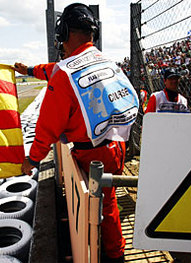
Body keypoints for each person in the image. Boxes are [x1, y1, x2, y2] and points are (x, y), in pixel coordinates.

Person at [13, 3, 139, 262]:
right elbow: (52, 70)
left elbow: (46, 128)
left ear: (65, 33)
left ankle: (116, 255)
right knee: (106, 199)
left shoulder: (64, 75)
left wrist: (33, 160)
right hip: (118, 145)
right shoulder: (105, 61)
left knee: (105, 205)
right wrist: (27, 70)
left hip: (93, 155)